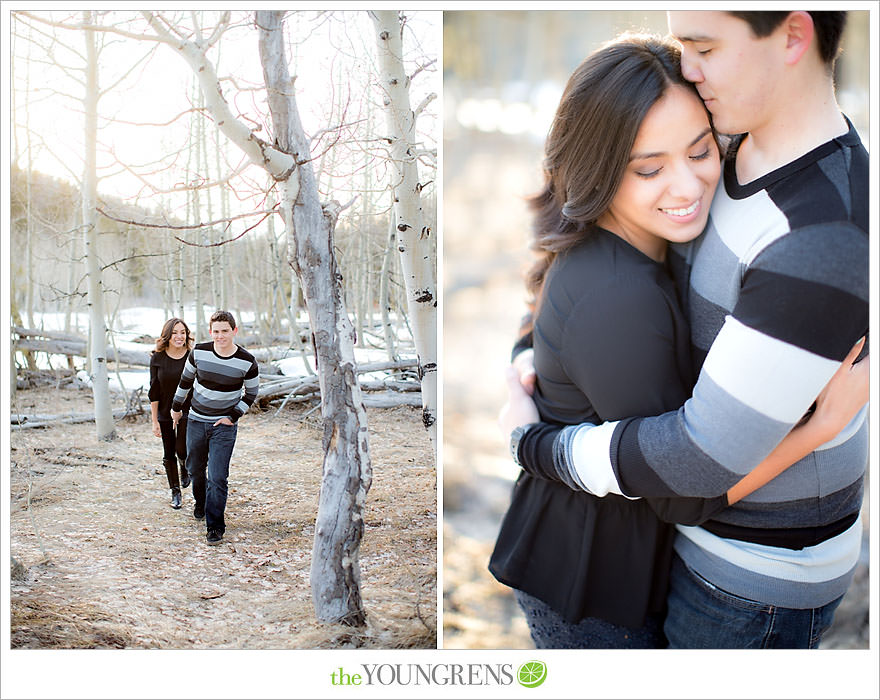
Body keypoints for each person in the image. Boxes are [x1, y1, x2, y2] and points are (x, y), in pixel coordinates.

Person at [502, 10, 869, 649]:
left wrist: (533, 381)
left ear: (792, 34)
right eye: (649, 168)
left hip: (708, 570)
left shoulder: (787, 201)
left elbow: (686, 471)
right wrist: (819, 429)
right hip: (599, 576)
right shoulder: (622, 288)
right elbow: (682, 491)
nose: (688, 181)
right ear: (602, 168)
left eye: (699, 151)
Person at [171, 310, 260, 546]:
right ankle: (200, 502)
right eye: (216, 331)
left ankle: (215, 527)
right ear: (210, 332)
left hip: (224, 426)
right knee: (195, 469)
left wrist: (232, 416)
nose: (220, 336)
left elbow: (251, 394)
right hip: (197, 421)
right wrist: (176, 407)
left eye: (225, 331)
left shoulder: (247, 361)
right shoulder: (199, 352)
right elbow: (185, 382)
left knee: (218, 477)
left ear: (234, 331)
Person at [149, 318, 193, 510]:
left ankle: (185, 467)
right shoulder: (157, 358)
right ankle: (175, 491)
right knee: (169, 452)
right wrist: (154, 421)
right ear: (167, 335)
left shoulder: (192, 356)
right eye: (175, 332)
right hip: (165, 412)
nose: (179, 336)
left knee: (182, 449)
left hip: (188, 411)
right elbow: (154, 391)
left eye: (182, 332)